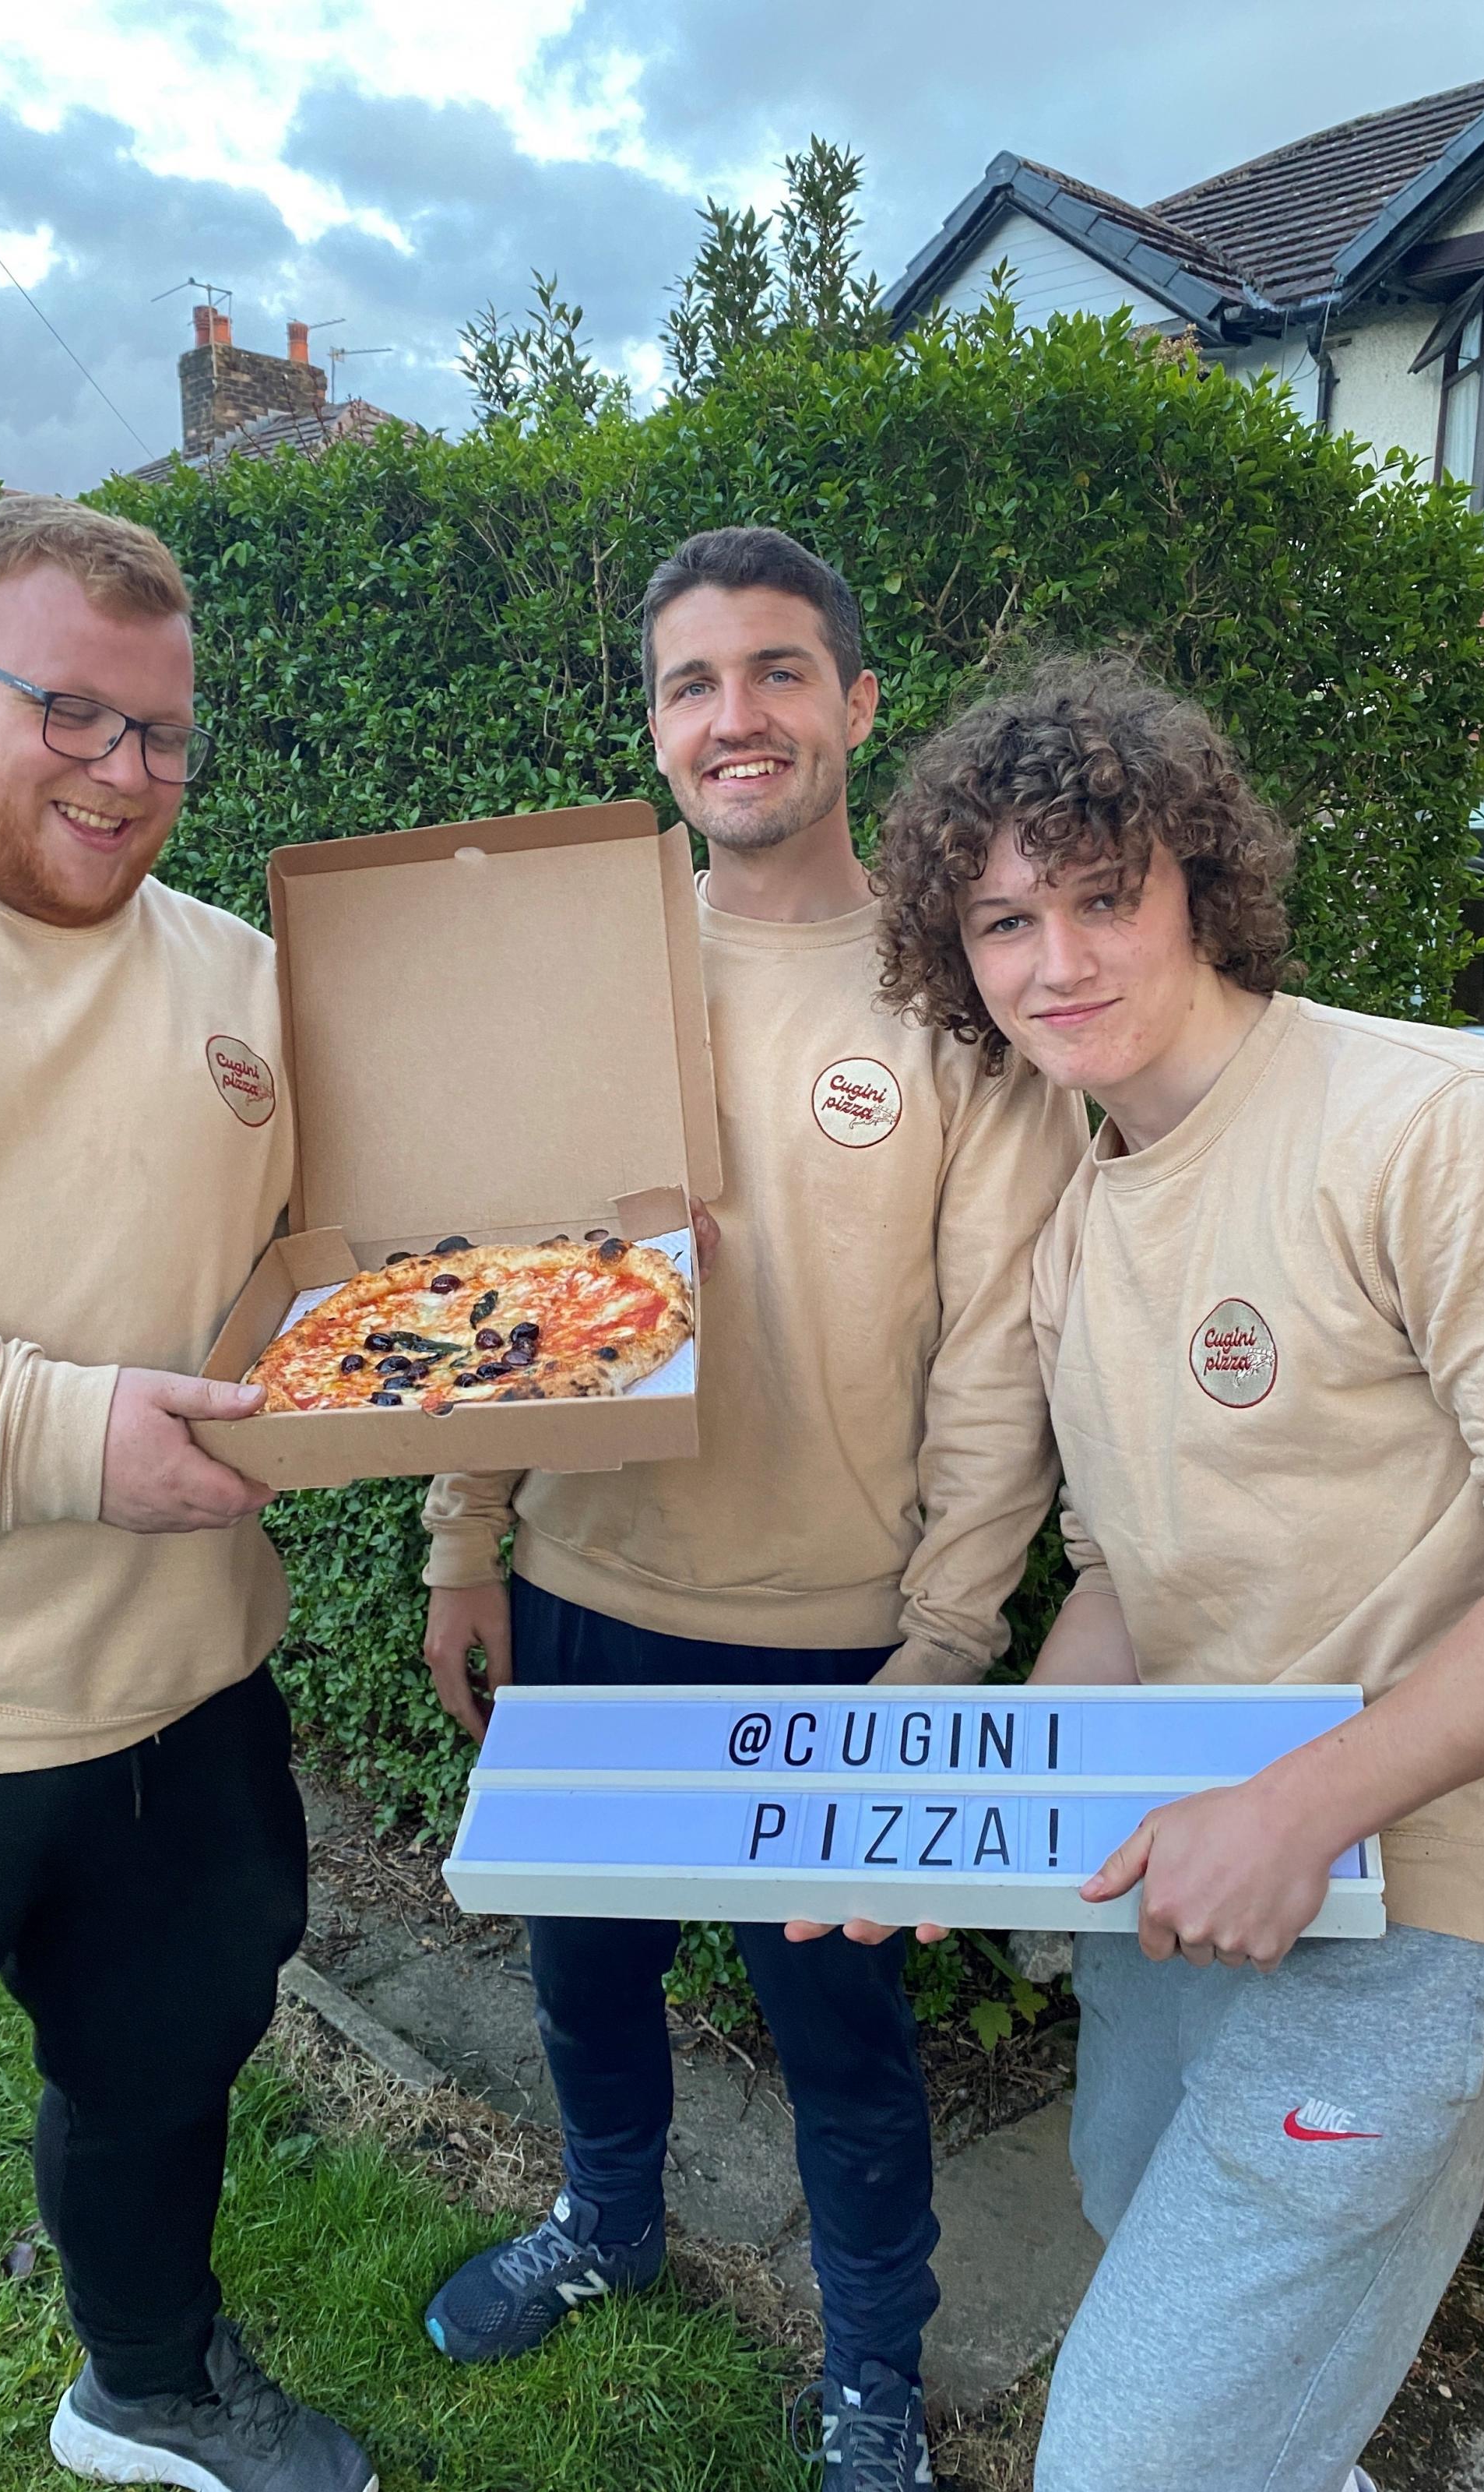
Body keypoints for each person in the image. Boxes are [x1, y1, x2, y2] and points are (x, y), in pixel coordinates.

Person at [871, 650, 1484, 2492]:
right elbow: (1125, 1570)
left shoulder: (1436, 1129)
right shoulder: (1079, 1218)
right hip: (1194, 1867)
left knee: (1135, 2452)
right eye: (1001, 920)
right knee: (1161, 2249)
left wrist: (1303, 1803)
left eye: (1101, 893)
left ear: (1200, 883)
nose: (1055, 960)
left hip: (1434, 1897)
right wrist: (998, 1808)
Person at [417, 526, 1087, 2485]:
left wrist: (947, 1641)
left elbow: (997, 1359)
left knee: (848, 2046)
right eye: (695, 682)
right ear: (654, 725)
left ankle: (873, 2364)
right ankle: (608, 2222)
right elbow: (504, 1280)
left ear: (858, 705)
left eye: (781, 671)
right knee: (584, 1971)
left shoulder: (959, 992)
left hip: (831, 1632)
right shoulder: (584, 973)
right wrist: (467, 1536)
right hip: (590, 1589)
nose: (739, 716)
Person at [0, 495, 375, 2492]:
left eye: (167, 735)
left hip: (182, 1696)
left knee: (161, 2077)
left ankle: (147, 2380)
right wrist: (61, 1431)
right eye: (76, 715)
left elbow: (348, 1250)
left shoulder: (242, 972)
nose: (130, 776)